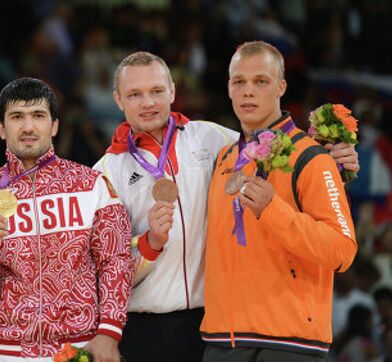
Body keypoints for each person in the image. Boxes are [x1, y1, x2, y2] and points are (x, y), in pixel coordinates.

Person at [93, 51, 359, 361]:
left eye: (156, 91)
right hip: (146, 326)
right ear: (117, 99)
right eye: (135, 94)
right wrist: (148, 244)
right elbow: (104, 268)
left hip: (213, 327)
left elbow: (271, 145)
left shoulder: (213, 139)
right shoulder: (104, 173)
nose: (148, 102)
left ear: (173, 92)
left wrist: (328, 155)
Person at [0, 77, 134, 362]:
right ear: (1, 128)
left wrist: (110, 333)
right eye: (16, 117)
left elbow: (116, 261)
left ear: (55, 125)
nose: (28, 127)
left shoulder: (92, 185)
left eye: (38, 116)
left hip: (78, 348)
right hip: (5, 352)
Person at [200, 41, 358, 361]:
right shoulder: (223, 158)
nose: (248, 92)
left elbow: (343, 250)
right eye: (239, 82)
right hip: (222, 338)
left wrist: (272, 212)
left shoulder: (312, 157)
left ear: (281, 87)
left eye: (261, 82)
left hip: (287, 340)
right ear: (228, 88)